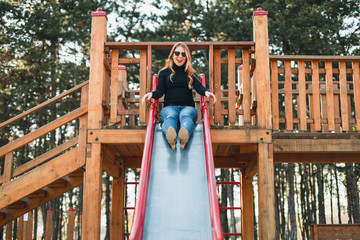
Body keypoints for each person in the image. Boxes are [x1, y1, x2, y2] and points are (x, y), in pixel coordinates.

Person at [141, 42, 216, 150]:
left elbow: (199, 87)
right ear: (172, 55)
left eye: (183, 54)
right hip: (169, 107)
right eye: (177, 53)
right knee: (170, 115)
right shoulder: (164, 73)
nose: (180, 56)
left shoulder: (190, 73)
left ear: (186, 57)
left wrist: (207, 92)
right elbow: (160, 91)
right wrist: (151, 94)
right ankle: (171, 136)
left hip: (188, 107)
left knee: (186, 115)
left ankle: (184, 136)